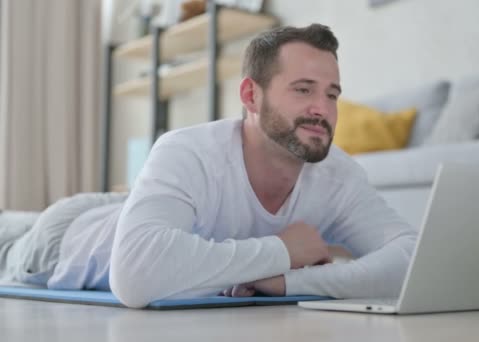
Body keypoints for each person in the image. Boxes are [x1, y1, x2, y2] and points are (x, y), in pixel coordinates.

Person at [0, 24, 417, 308]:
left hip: (122, 211)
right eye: (303, 89)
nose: (321, 109)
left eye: (332, 94)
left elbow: (412, 257)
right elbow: (135, 278)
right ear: (251, 96)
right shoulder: (188, 149)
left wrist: (289, 280)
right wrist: (282, 251)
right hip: (64, 241)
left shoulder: (338, 174)